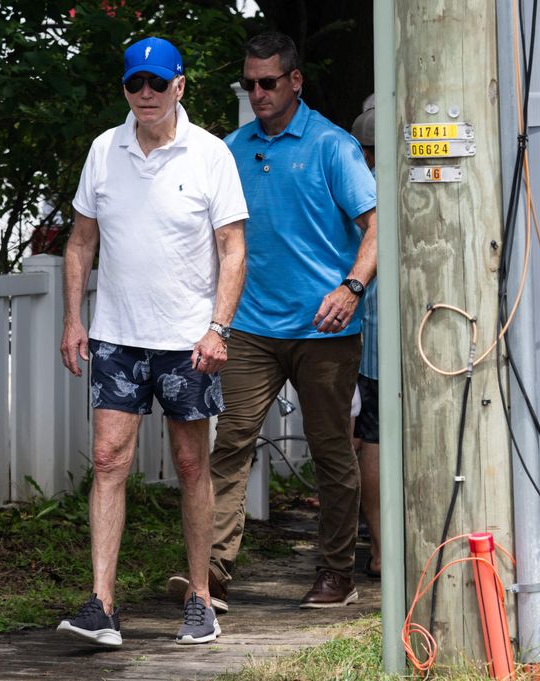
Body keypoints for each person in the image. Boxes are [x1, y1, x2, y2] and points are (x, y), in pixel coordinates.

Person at [172, 31, 377, 611]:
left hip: (325, 330)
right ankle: (209, 574)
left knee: (331, 450)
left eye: (268, 82)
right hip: (251, 328)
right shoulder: (230, 150)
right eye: (249, 83)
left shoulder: (333, 146)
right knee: (229, 446)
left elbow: (378, 226)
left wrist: (352, 287)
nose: (258, 92)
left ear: (295, 81)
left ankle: (337, 570)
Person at [57, 36, 248, 647]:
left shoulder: (211, 155)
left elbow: (233, 249)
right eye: (134, 84)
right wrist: (72, 319)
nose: (145, 94)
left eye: (157, 84)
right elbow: (81, 240)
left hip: (188, 339)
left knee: (192, 464)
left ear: (179, 87)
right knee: (110, 461)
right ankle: (102, 604)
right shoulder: (103, 151)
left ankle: (199, 599)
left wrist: (218, 328)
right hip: (116, 336)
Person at [349, 100, 381, 579]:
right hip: (409, 331)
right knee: (371, 437)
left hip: (362, 331)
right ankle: (382, 547)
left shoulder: (355, 185)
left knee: (367, 437)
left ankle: (378, 546)